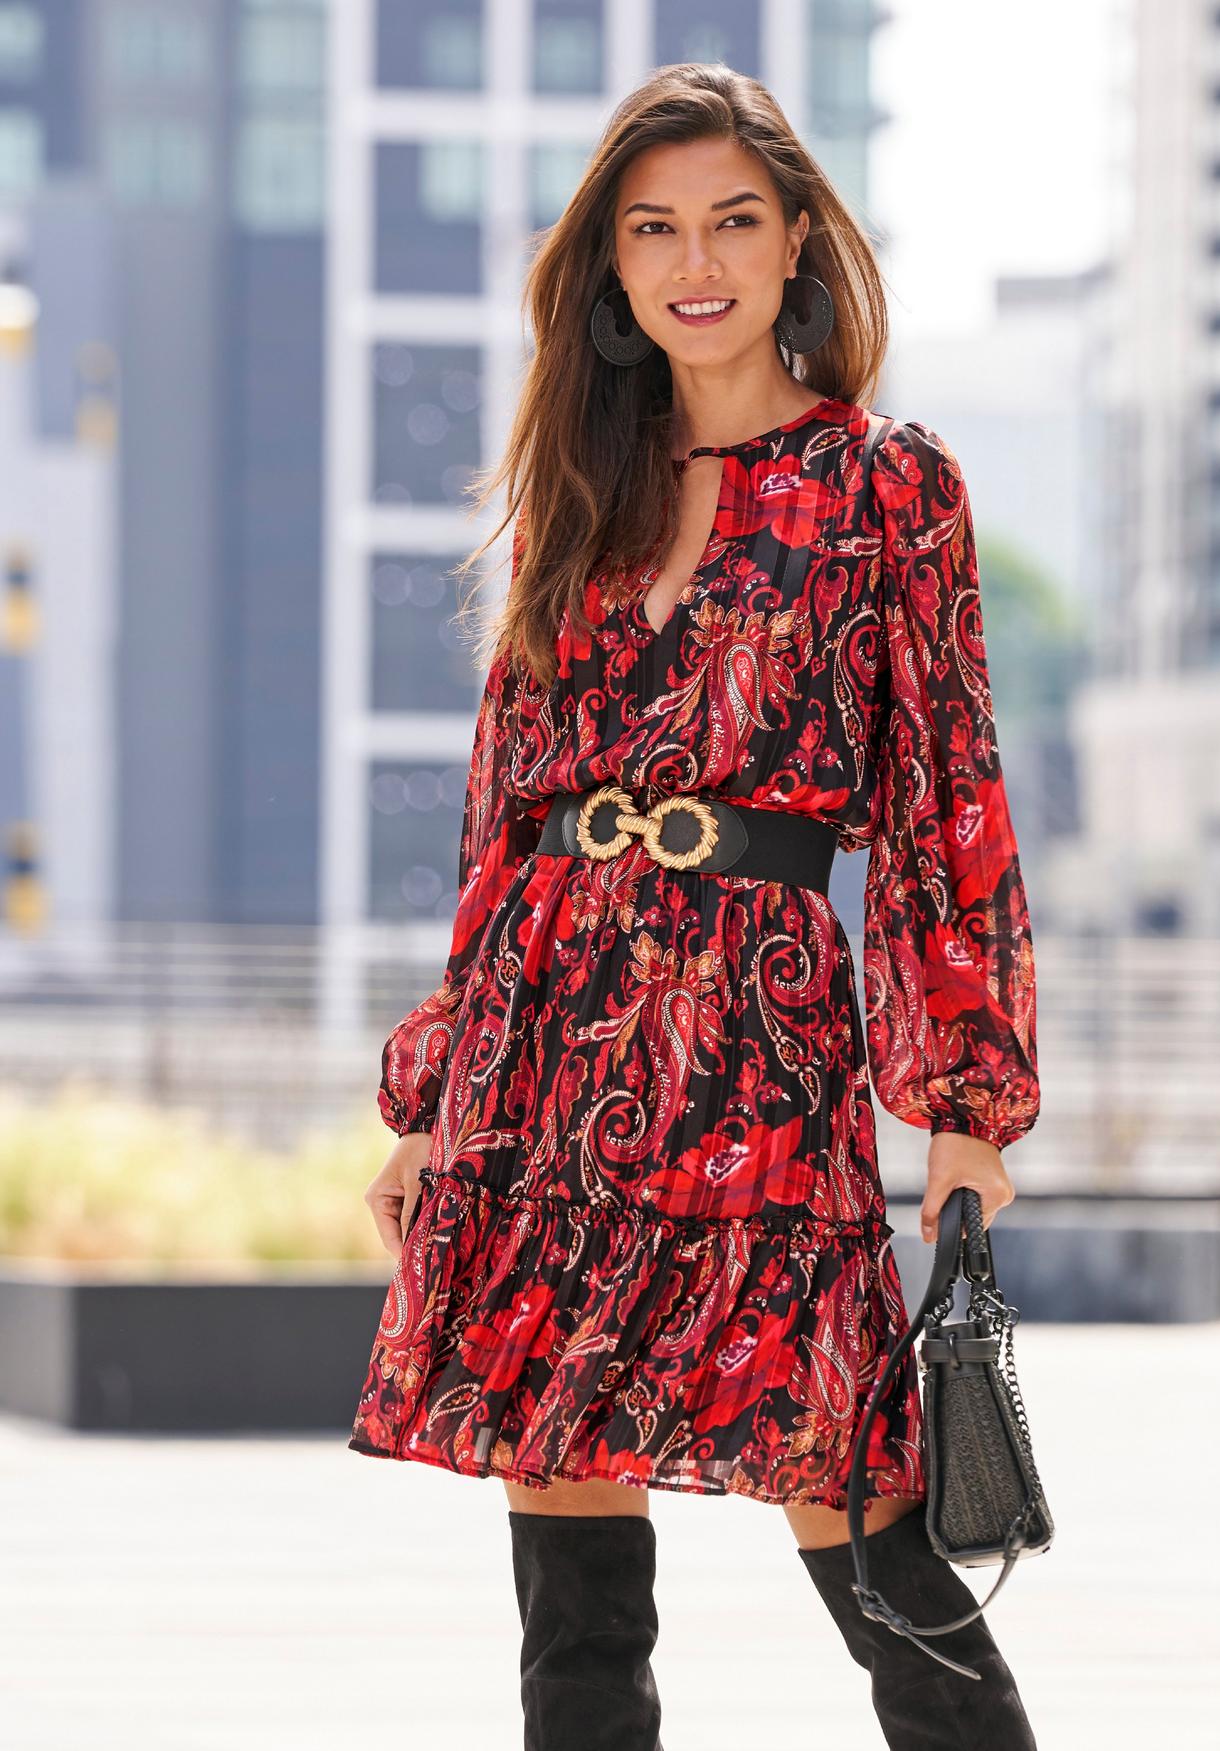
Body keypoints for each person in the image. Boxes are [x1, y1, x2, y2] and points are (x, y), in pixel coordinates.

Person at [350, 61, 1040, 1751]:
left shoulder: (888, 490)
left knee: (864, 1516)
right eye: (652, 229)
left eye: (733, 218)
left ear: (799, 238)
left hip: (757, 1050)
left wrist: (962, 1103)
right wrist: (434, 1103)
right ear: (611, 267)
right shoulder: (577, 495)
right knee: (566, 1558)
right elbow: (503, 822)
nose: (694, 259)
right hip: (544, 1050)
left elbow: (948, 802)